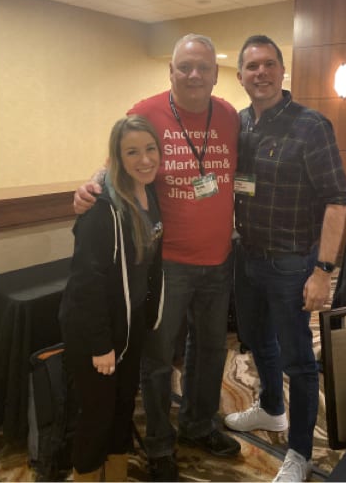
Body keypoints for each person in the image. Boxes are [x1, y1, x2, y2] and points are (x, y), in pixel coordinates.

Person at [73, 34, 241, 481]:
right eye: (184, 66)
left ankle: (199, 425)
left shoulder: (227, 115)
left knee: (209, 351)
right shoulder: (146, 112)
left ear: (215, 72)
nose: (194, 75)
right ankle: (160, 445)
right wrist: (89, 186)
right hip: (167, 266)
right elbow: (118, 159)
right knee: (158, 359)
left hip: (219, 260)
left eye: (203, 67)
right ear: (170, 70)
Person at [225, 35, 346, 482]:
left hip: (293, 264)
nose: (260, 73)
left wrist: (323, 271)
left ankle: (298, 452)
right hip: (248, 258)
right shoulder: (238, 124)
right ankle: (272, 411)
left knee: (299, 359)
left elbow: (337, 200)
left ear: (282, 71)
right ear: (239, 76)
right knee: (258, 341)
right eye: (251, 66)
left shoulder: (310, 125)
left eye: (269, 64)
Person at [59, 115, 164, 482]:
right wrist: (100, 344)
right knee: (97, 415)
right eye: (132, 152)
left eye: (150, 149)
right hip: (95, 330)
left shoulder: (149, 194)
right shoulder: (101, 208)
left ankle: (115, 475)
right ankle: (86, 475)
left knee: (122, 408)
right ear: (117, 158)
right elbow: (87, 284)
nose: (145, 159)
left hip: (130, 325)